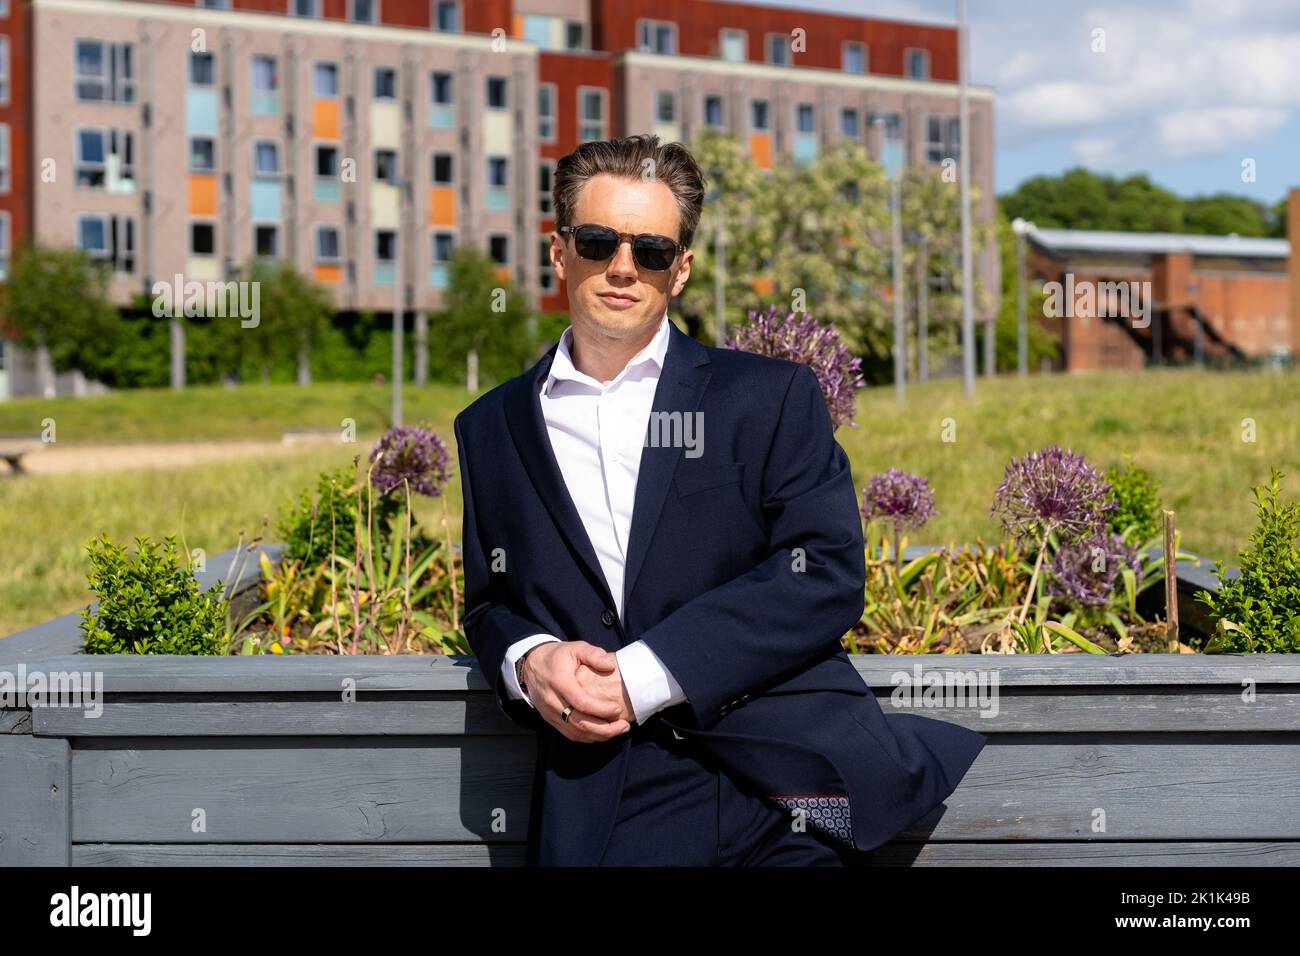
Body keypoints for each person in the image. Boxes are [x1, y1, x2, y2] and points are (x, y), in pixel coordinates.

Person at [454, 133, 986, 866]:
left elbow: (824, 570)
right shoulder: (488, 427)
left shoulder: (769, 397)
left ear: (681, 270)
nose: (621, 268)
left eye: (651, 251)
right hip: (604, 797)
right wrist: (530, 659)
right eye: (599, 240)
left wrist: (645, 676)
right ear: (559, 251)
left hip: (786, 785)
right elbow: (488, 603)